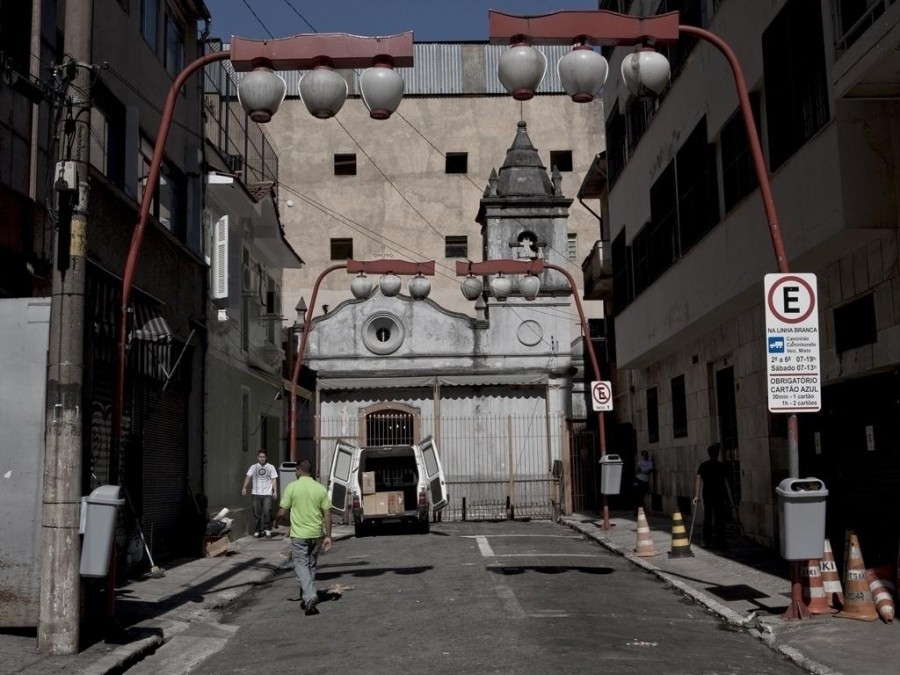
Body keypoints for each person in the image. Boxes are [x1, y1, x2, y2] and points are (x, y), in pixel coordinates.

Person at [275, 459, 333, 615]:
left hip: (299, 536)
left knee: (301, 566)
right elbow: (327, 514)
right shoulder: (320, 489)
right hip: (316, 535)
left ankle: (309, 596)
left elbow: (282, 511)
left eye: (296, 471)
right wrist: (328, 536)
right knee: (311, 566)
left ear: (299, 471)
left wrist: (276, 522)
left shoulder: (292, 487)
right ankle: (307, 598)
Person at [693, 443, 733, 549]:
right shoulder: (721, 466)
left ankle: (707, 541)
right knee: (719, 519)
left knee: (708, 518)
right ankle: (720, 541)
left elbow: (698, 481)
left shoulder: (703, 465)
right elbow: (726, 483)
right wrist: (730, 499)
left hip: (707, 494)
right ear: (718, 454)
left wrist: (697, 496)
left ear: (709, 453)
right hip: (719, 495)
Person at [242, 450, 278, 538]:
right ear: (257, 457)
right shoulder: (253, 467)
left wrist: (275, 491)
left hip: (267, 493)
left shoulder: (271, 467)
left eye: (263, 457)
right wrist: (244, 487)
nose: (262, 458)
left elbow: (274, 479)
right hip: (256, 493)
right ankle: (257, 530)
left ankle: (267, 530)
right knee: (256, 513)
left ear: (266, 458)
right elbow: (248, 477)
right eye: (260, 457)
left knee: (267, 511)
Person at [634, 450, 654, 514]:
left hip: (645, 480)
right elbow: (637, 471)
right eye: (643, 455)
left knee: (642, 495)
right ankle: (638, 510)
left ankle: (641, 510)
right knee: (638, 495)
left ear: (647, 456)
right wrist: (643, 471)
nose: (644, 456)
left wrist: (642, 471)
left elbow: (649, 471)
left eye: (645, 455)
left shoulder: (649, 463)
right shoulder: (640, 462)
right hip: (638, 479)